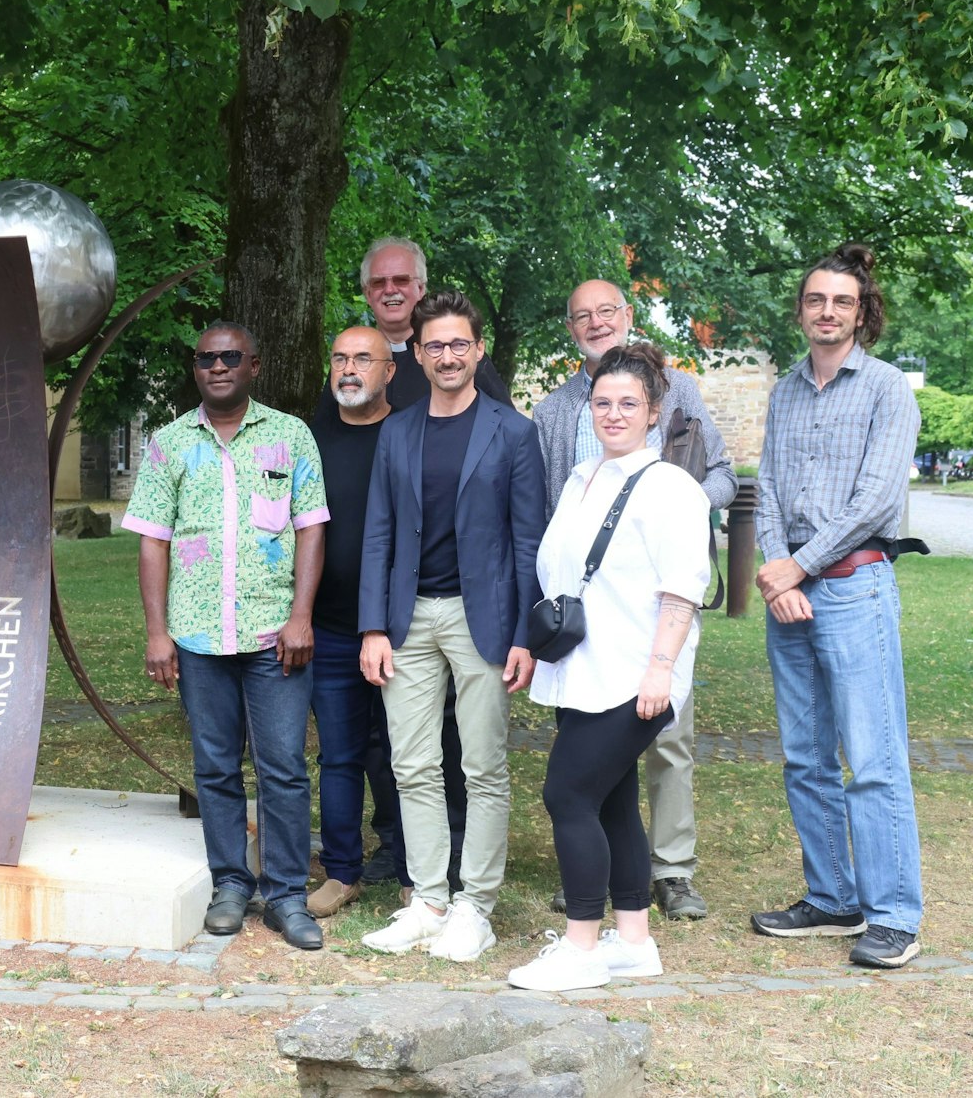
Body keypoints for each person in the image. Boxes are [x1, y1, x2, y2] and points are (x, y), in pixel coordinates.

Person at [529, 280, 737, 921]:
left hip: (648, 629)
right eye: (582, 315)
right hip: (585, 634)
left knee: (651, 753)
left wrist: (677, 506)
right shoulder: (556, 416)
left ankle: (669, 873)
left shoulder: (678, 403)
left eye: (606, 311)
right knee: (605, 788)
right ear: (571, 328)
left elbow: (722, 474)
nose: (596, 322)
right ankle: (621, 913)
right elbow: (546, 511)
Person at [506, 344, 711, 991]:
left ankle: (583, 946)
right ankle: (634, 942)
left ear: (654, 411)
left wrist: (660, 670)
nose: (613, 413)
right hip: (582, 669)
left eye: (629, 403)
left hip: (634, 674)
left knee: (567, 793)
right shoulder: (582, 478)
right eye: (602, 402)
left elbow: (682, 588)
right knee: (612, 799)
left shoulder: (670, 487)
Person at [124, 322, 329, 950]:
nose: (217, 366)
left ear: (254, 366)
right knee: (214, 768)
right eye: (206, 358)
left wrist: (301, 616)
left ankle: (287, 894)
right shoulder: (168, 445)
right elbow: (153, 541)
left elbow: (311, 527)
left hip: (274, 636)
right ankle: (231, 884)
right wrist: (158, 634)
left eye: (231, 356)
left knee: (283, 768)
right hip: (197, 636)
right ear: (196, 368)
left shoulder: (291, 436)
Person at [750, 243, 925, 969]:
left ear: (862, 312)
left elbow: (876, 501)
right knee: (806, 756)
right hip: (789, 595)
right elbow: (766, 488)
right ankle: (832, 897)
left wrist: (799, 565)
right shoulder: (785, 391)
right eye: (816, 299)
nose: (828, 311)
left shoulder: (887, 389)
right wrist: (779, 576)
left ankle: (894, 916)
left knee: (873, 758)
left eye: (842, 301)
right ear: (801, 310)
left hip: (855, 588)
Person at [358, 290, 546, 963]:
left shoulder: (513, 432)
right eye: (434, 345)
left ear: (478, 350)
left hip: (483, 618)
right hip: (407, 618)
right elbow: (378, 533)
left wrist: (524, 634)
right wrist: (373, 627)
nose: (447, 355)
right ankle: (430, 900)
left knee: (483, 765)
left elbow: (529, 541)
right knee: (412, 763)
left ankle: (476, 907)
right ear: (416, 353)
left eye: (459, 344)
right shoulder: (397, 431)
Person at [304, 326, 406, 917]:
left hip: (404, 628)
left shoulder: (411, 434)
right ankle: (342, 871)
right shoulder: (308, 441)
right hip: (330, 627)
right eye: (340, 357)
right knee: (338, 756)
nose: (349, 368)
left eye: (363, 359)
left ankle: (416, 873)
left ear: (389, 371)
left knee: (408, 755)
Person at [360, 238, 513, 408]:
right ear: (368, 294)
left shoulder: (462, 356)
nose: (389, 290)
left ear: (421, 288)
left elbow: (503, 420)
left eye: (401, 280)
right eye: (378, 282)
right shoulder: (351, 362)